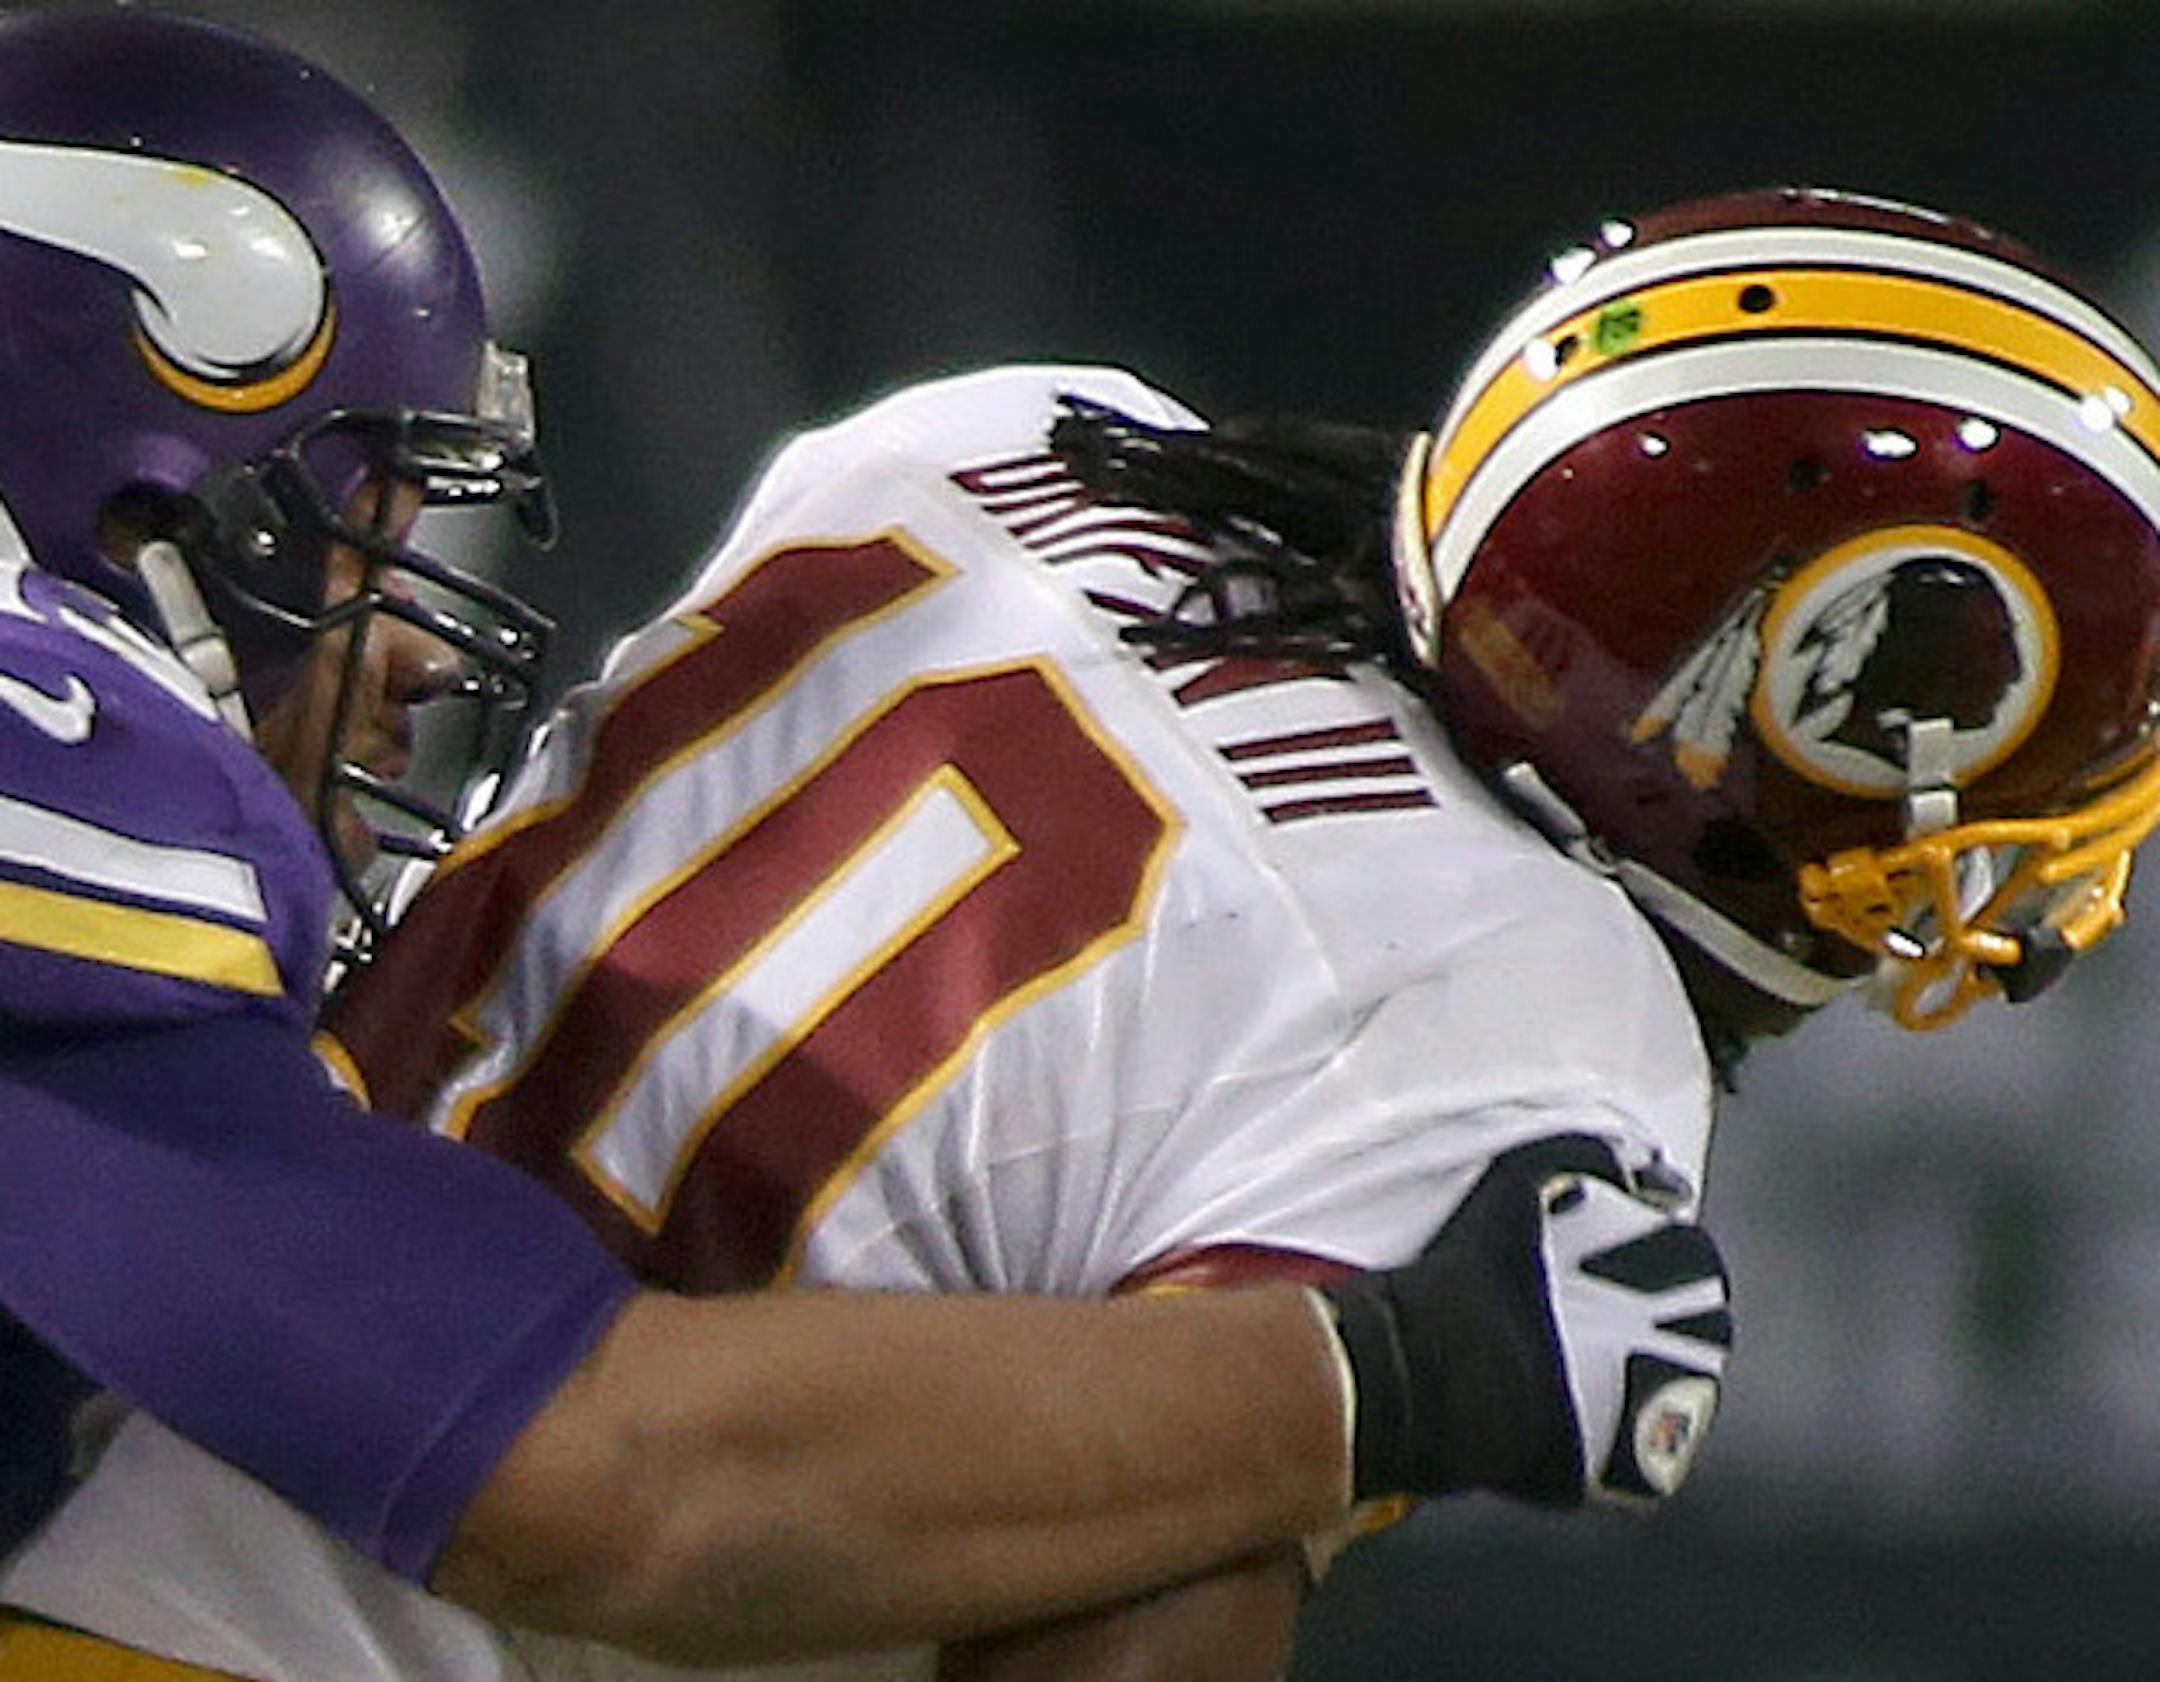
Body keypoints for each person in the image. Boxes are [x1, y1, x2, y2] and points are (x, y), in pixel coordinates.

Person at [21, 180, 2154, 1682]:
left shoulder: (1008, 432)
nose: (2079, 830)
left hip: (112, 1514)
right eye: (2074, 746)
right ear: (1822, 695)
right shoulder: (1534, 1027)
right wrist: (1391, 1379)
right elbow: (1136, 1603)